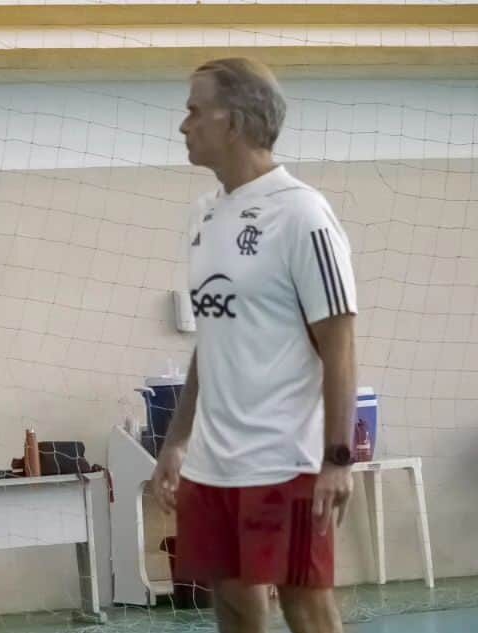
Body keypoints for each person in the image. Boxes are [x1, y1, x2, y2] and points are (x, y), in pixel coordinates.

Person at [150, 58, 358, 633]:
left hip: (284, 455)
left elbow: (339, 345)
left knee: (306, 604)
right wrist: (178, 438)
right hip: (216, 463)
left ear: (234, 123)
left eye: (194, 110)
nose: (183, 124)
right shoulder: (204, 214)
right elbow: (212, 339)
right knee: (235, 603)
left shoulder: (303, 214)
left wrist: (337, 459)